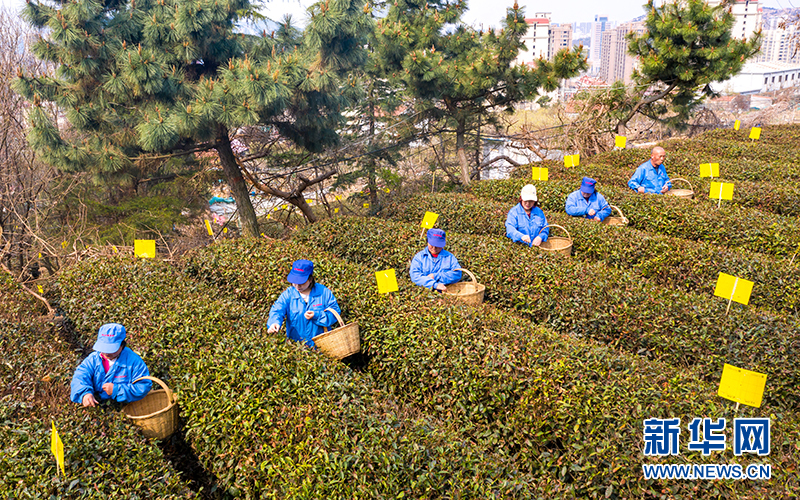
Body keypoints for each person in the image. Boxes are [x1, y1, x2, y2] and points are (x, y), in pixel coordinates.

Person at [70, 323, 151, 407]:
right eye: (104, 348)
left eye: (111, 349)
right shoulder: (93, 359)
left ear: (122, 345)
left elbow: (143, 386)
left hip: (126, 407)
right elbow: (80, 376)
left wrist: (117, 390)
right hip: (97, 406)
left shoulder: (134, 362)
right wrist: (85, 393)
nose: (106, 353)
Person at [267, 259, 341, 348]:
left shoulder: (323, 292)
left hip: (321, 346)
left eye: (301, 282)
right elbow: (277, 310)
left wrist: (317, 315)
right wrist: (274, 323)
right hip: (296, 348)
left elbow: (335, 312)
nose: (297, 286)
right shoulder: (288, 294)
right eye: (294, 282)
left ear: (310, 279)